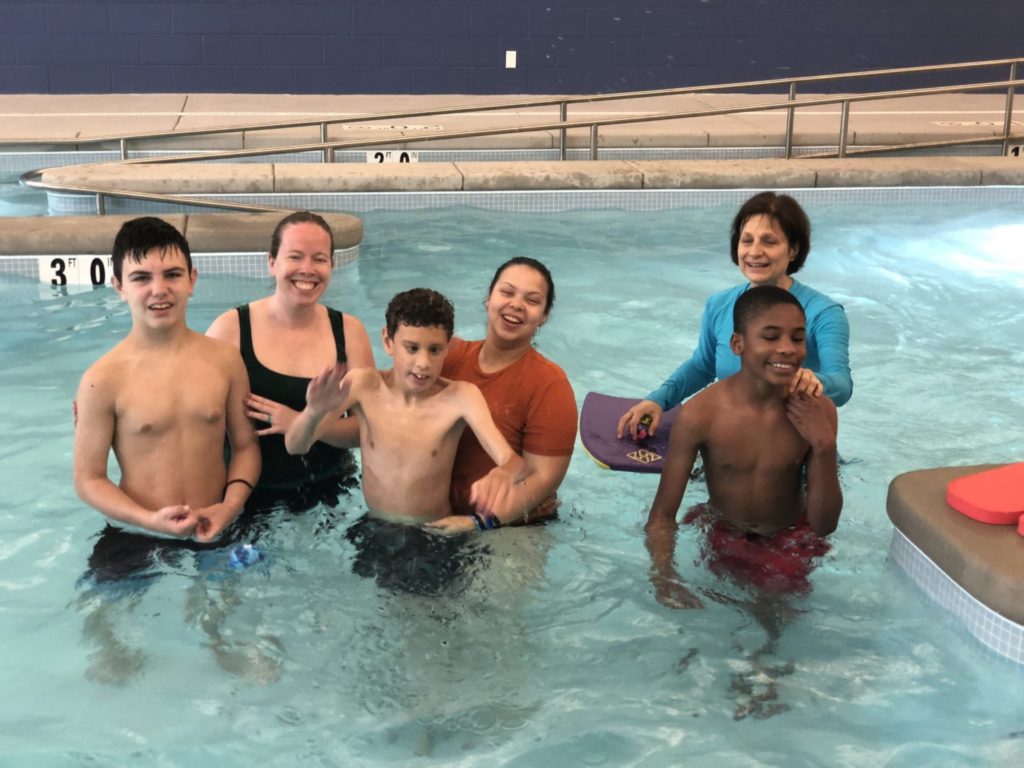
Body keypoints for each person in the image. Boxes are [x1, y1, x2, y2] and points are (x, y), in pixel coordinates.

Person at [644, 285, 843, 608]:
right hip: (726, 529)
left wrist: (824, 445)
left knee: (776, 611)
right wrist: (664, 576)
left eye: (797, 337)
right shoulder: (700, 414)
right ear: (737, 344)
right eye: (770, 336)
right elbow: (662, 516)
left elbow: (824, 525)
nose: (787, 349)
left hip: (792, 534)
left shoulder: (818, 412)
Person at [73, 216, 261, 544]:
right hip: (137, 531)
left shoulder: (224, 360)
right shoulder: (101, 379)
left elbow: (246, 446)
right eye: (141, 278)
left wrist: (229, 507)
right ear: (119, 286)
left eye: (172, 275)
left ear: (192, 279)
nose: (159, 289)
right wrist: (149, 521)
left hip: (217, 522)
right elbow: (88, 479)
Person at [618, 191, 852, 442]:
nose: (754, 252)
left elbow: (842, 386)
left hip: (793, 451)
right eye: (747, 240)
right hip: (730, 445)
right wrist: (658, 400)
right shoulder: (720, 305)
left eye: (769, 241)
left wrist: (814, 380)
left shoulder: (823, 313)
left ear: (793, 250)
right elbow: (702, 366)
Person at [285, 288, 525, 525]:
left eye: (434, 350)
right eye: (412, 348)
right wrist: (313, 413)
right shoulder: (363, 386)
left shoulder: (461, 397)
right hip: (374, 527)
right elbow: (296, 445)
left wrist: (503, 473)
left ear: (448, 347)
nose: (423, 363)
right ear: (388, 342)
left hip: (433, 532)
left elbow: (513, 462)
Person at [206, 211, 373, 507]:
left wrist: (299, 422)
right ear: (272, 263)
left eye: (319, 259)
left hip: (331, 490)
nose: (307, 269)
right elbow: (202, 425)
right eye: (295, 257)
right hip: (248, 494)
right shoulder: (230, 329)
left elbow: (367, 430)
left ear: (332, 265)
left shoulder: (349, 332)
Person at [430, 257, 577, 532]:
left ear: (544, 317)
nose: (516, 305)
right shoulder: (447, 358)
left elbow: (544, 479)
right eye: (507, 292)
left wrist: (477, 522)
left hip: (514, 526)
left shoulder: (550, 384)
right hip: (443, 514)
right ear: (489, 299)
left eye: (532, 300)